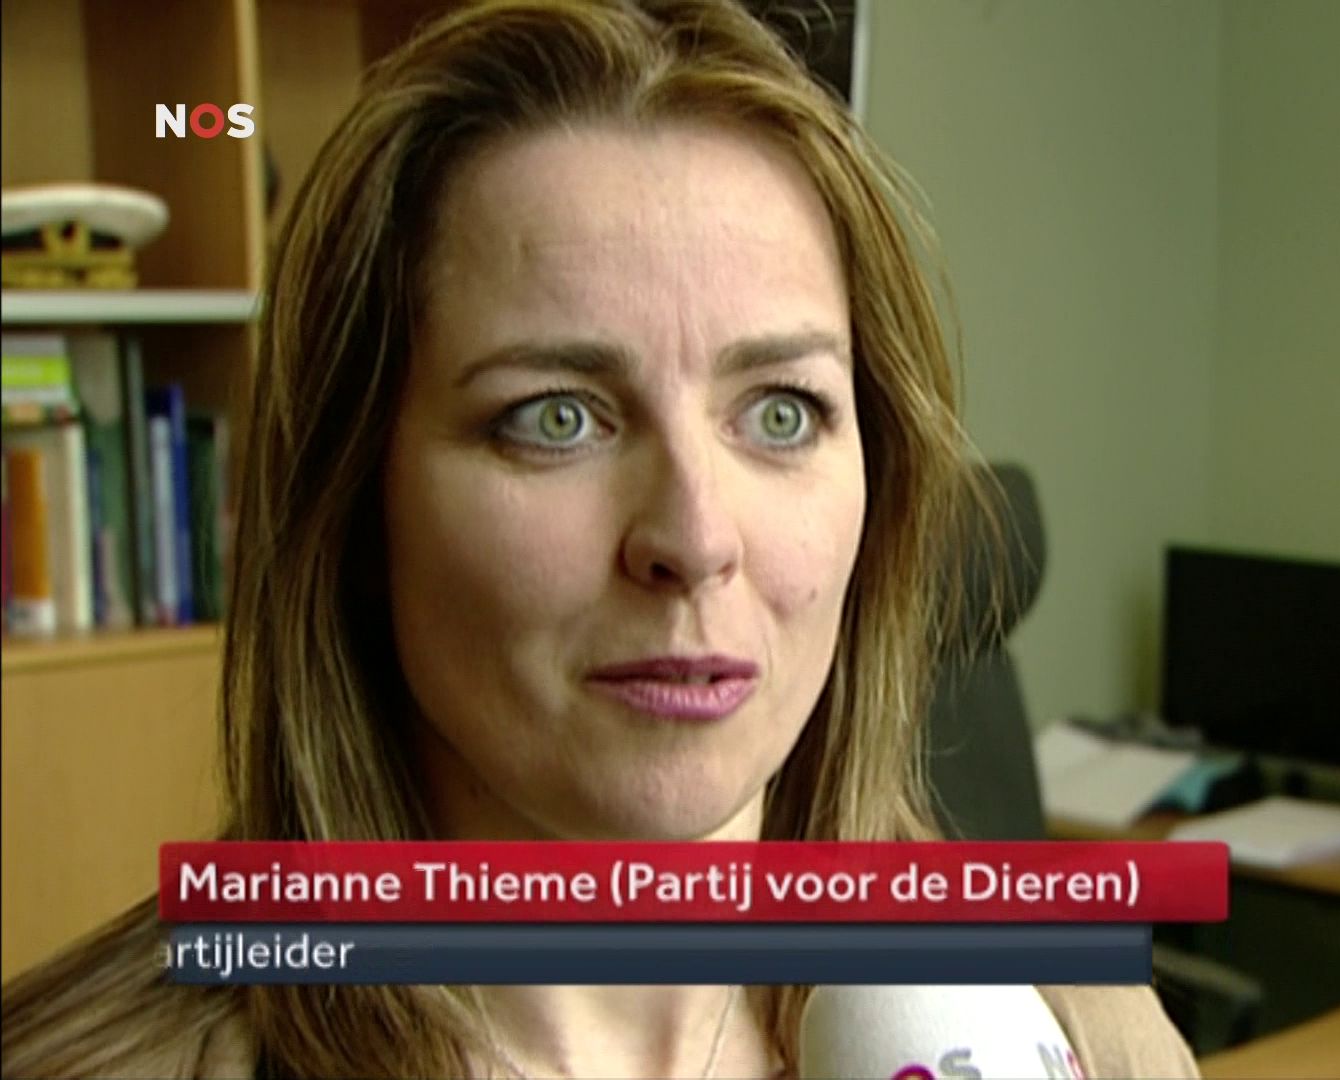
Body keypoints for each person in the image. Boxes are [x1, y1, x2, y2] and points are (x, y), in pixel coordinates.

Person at [0, 1, 1201, 1076]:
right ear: (355, 509)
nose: (694, 537)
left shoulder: (1073, 1023)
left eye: (782, 413)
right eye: (556, 418)